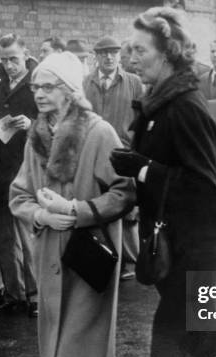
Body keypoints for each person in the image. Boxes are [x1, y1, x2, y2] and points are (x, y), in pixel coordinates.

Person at [110, 8, 216, 357]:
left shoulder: (184, 107)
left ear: (168, 54)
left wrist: (144, 169)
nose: (132, 57)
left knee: (169, 337)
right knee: (198, 327)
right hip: (173, 241)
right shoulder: (159, 104)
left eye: (141, 50)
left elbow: (206, 184)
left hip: (195, 246)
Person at [9, 51, 134, 357]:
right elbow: (20, 195)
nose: (39, 93)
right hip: (50, 255)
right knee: (76, 343)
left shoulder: (98, 132)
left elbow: (125, 190)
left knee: (72, 342)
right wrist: (41, 216)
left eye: (48, 86)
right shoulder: (36, 138)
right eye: (36, 86)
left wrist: (78, 211)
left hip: (89, 256)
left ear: (69, 89)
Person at [0, 34, 38, 315]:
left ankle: (36, 296)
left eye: (14, 59)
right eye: (4, 60)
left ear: (25, 55)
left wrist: (31, 124)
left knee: (29, 237)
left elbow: (56, 126)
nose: (10, 65)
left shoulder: (37, 86)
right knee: (5, 239)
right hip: (1, 174)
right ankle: (14, 294)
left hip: (27, 171)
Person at [84, 36, 143, 281]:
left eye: (113, 52)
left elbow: (142, 118)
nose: (108, 57)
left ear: (120, 56)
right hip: (95, 152)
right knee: (99, 204)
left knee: (127, 207)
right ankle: (105, 257)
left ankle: (131, 261)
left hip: (125, 152)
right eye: (103, 53)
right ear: (96, 56)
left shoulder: (133, 82)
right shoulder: (86, 83)